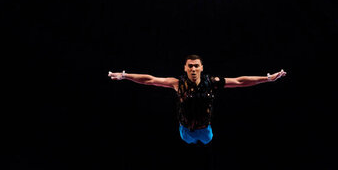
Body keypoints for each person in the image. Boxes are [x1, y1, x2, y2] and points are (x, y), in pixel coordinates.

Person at [108, 55, 286, 144]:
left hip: (205, 131)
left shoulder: (212, 82)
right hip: (185, 131)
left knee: (207, 140)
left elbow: (240, 81)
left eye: (196, 66)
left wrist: (267, 78)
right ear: (185, 68)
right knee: (187, 140)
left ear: (201, 67)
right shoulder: (177, 83)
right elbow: (150, 79)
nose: (193, 69)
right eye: (190, 66)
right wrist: (124, 76)